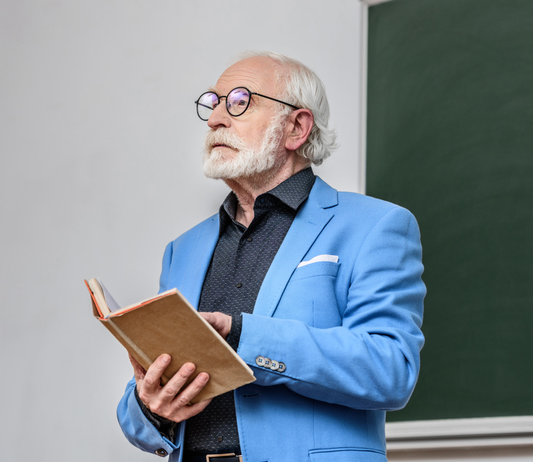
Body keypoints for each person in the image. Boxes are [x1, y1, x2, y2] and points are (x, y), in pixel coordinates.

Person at [117, 51, 425, 462]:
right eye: (213, 103)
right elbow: (137, 416)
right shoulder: (182, 250)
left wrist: (243, 336)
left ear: (296, 127)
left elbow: (390, 370)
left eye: (240, 101)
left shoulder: (376, 226)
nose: (215, 120)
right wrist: (151, 407)